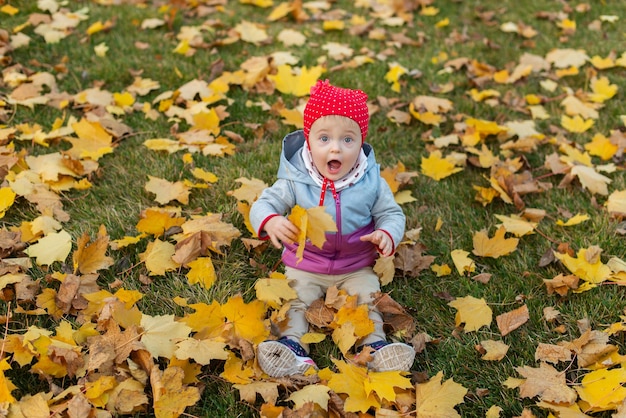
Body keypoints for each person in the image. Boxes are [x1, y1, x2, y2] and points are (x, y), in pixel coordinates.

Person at [249, 79, 415, 377]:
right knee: (296, 299)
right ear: (308, 139)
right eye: (324, 138)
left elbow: (392, 213)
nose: (335, 148)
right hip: (305, 263)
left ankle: (376, 347)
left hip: (355, 266)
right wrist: (270, 219)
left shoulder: (371, 181)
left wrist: (387, 233)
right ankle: (292, 347)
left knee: (367, 300)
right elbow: (265, 202)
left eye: (347, 140)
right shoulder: (296, 178)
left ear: (360, 142)